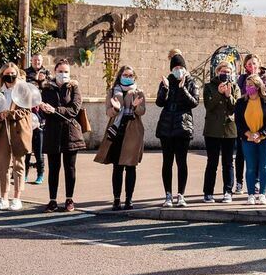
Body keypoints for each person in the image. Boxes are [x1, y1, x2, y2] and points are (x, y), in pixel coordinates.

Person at [95, 65, 146, 210]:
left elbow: (142, 112)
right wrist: (116, 108)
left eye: (131, 75)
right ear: (120, 76)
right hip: (116, 131)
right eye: (125, 75)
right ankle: (116, 200)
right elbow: (108, 113)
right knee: (117, 167)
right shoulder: (113, 92)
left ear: (134, 77)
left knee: (131, 167)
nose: (128, 77)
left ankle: (129, 200)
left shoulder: (138, 92)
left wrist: (136, 106)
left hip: (133, 132)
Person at [0, 63, 33, 211]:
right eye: (7, 73)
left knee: (19, 164)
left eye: (13, 73)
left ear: (17, 75)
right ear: (2, 75)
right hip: (1, 130)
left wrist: (11, 114)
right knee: (3, 166)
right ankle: (3, 199)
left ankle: (17, 198)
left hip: (18, 130)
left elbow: (27, 111)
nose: (10, 76)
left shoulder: (23, 90)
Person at [38, 59, 83, 212]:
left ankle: (69, 199)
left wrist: (55, 110)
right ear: (55, 72)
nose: (63, 74)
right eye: (60, 71)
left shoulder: (74, 88)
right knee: (53, 168)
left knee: (70, 168)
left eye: (66, 72)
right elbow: (43, 112)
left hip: (70, 133)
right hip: (52, 133)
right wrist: (45, 109)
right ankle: (52, 200)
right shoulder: (47, 88)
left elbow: (74, 109)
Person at [155, 53, 199, 208]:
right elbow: (159, 103)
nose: (178, 70)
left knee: (181, 162)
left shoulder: (191, 82)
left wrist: (182, 90)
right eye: (175, 68)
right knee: (167, 162)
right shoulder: (167, 82)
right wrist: (165, 88)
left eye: (181, 67)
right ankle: (168, 195)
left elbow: (194, 103)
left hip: (183, 126)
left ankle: (181, 194)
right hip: (166, 125)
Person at [235, 74, 266, 205]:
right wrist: (249, 134)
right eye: (247, 86)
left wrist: (260, 134)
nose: (248, 88)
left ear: (258, 86)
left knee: (264, 166)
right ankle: (251, 195)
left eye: (251, 85)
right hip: (248, 138)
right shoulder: (241, 102)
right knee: (251, 167)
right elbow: (239, 121)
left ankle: (262, 195)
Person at [202, 61, 239, 203]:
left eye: (228, 72)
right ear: (217, 72)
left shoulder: (235, 87)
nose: (226, 74)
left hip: (229, 130)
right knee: (212, 162)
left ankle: (228, 191)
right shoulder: (209, 87)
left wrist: (229, 95)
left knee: (228, 162)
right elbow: (208, 106)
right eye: (223, 71)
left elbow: (235, 108)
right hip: (212, 130)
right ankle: (208, 192)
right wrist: (219, 93)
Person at [234, 54, 266, 194]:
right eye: (249, 64)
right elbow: (240, 97)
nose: (252, 67)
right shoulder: (242, 79)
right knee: (241, 154)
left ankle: (256, 182)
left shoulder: (265, 78)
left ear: (259, 64)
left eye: (254, 63)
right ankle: (239, 182)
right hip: (245, 120)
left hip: (260, 121)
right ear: (245, 66)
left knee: (257, 156)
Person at [24, 55, 48, 185]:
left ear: (42, 62)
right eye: (34, 60)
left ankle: (40, 174)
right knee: (27, 148)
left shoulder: (47, 73)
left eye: (39, 60)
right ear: (31, 61)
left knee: (39, 149)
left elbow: (49, 87)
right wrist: (35, 79)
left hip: (40, 114)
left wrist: (41, 81)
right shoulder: (26, 72)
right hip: (28, 112)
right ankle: (25, 174)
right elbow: (23, 87)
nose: (37, 62)